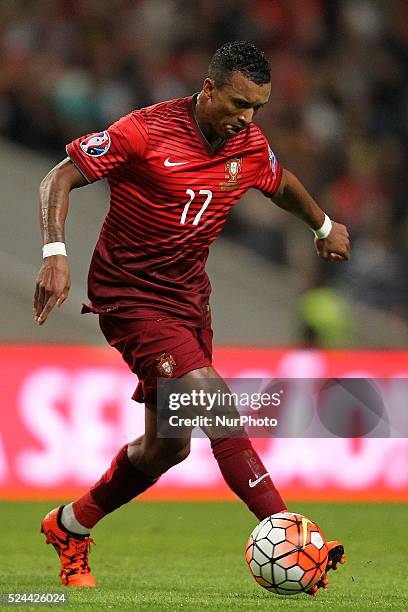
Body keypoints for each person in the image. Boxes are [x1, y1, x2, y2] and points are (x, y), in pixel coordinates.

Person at [35, 42, 348, 594]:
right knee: (213, 402)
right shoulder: (144, 132)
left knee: (167, 447)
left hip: (188, 304)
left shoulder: (248, 144)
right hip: (130, 299)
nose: (246, 119)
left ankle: (70, 525)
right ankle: (294, 536)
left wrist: (322, 227)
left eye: (257, 108)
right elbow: (58, 177)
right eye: (237, 103)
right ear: (208, 88)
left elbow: (281, 183)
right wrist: (54, 253)